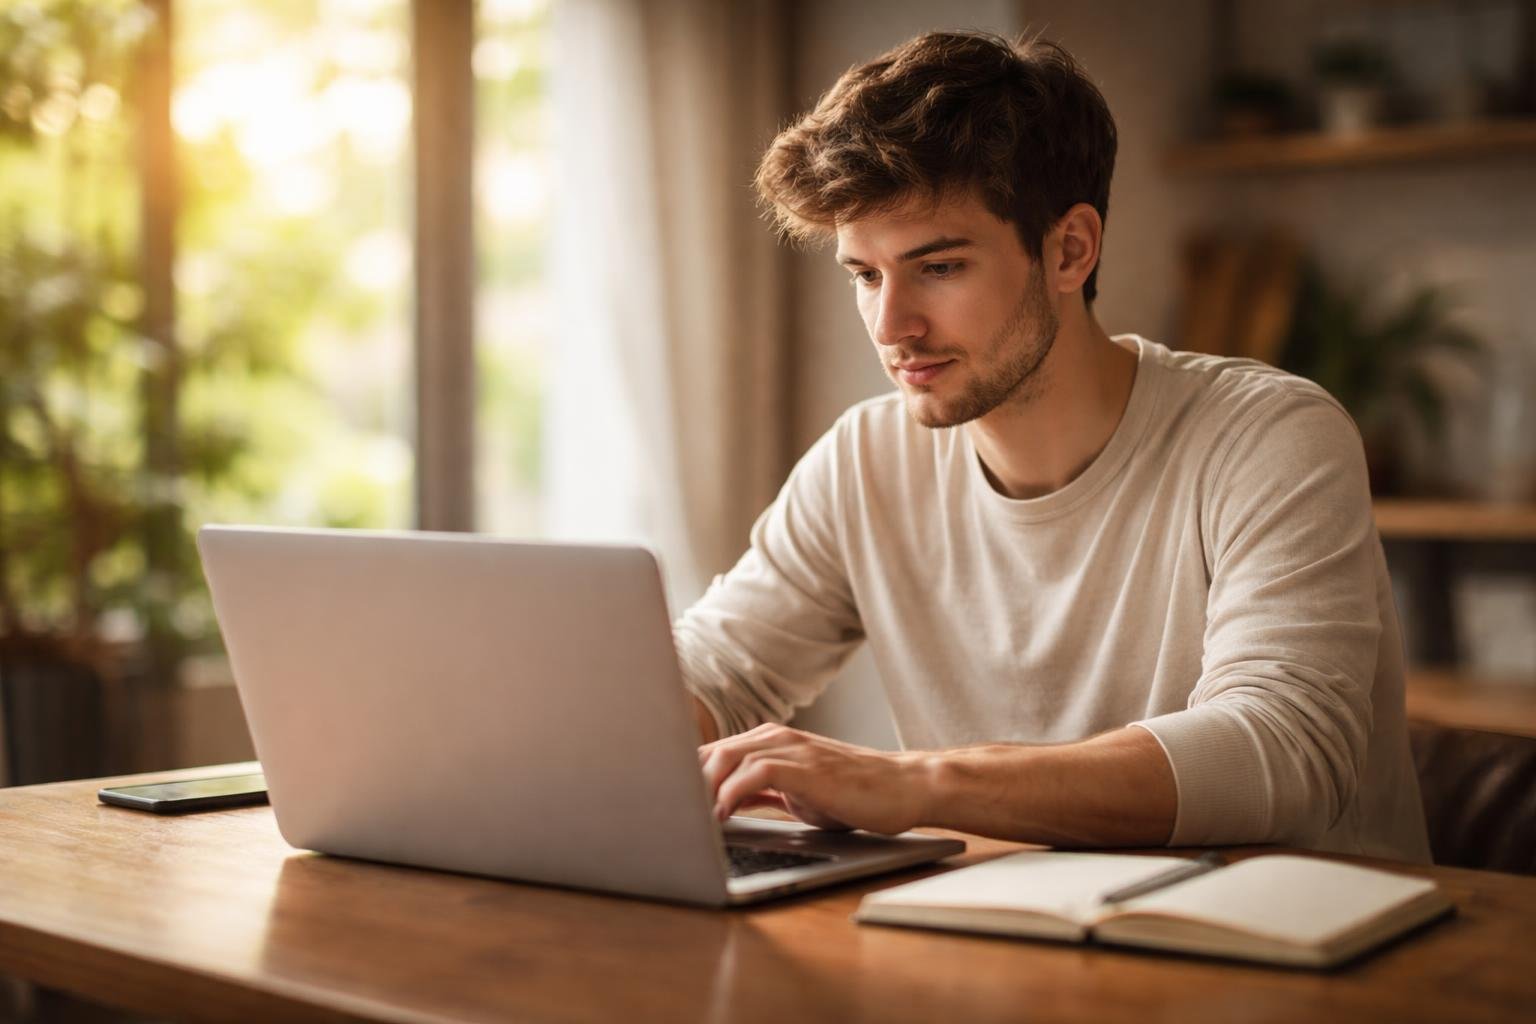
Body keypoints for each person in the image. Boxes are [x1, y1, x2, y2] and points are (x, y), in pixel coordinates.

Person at [676, 30, 1430, 862]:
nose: (891, 326)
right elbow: (717, 668)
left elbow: (1282, 753)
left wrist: (916, 784)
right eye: (865, 275)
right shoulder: (865, 461)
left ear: (1070, 249)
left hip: (1305, 961)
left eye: (940, 267)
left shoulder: (1270, 437)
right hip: (1010, 951)